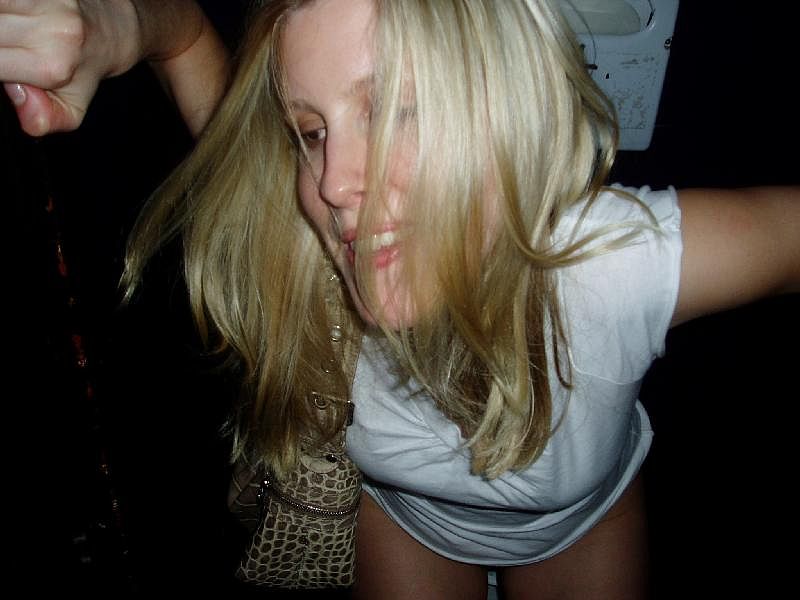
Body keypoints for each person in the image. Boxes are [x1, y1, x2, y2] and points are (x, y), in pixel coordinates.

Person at [3, 1, 798, 598]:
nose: (333, 185)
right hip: (409, 525)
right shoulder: (300, 245)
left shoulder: (614, 263)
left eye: (391, 108)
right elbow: (181, 40)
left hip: (579, 528)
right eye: (312, 132)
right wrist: (120, 16)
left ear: (503, 102)